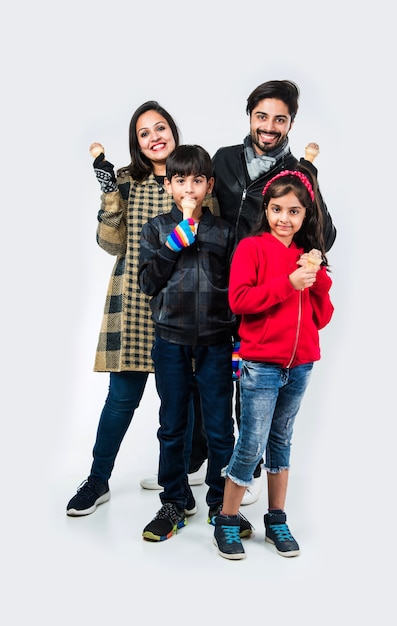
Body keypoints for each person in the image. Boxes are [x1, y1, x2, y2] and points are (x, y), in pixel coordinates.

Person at [66, 102, 207, 517]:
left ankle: (179, 481)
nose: (154, 137)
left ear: (173, 131)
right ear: (137, 143)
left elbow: (213, 241)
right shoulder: (126, 182)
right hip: (133, 304)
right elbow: (111, 244)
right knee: (120, 400)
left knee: (184, 403)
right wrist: (110, 193)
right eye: (144, 133)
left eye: (160, 127)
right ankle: (98, 478)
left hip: (185, 308)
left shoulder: (196, 177)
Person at [213, 79, 336, 505]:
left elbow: (324, 233)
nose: (268, 126)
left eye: (279, 119)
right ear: (250, 116)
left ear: (290, 123)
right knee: (208, 382)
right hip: (223, 291)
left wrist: (310, 183)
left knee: (256, 403)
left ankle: (246, 474)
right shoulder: (225, 160)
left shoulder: (295, 175)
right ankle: (208, 464)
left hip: (269, 303)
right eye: (261, 116)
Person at [212, 166, 334, 560]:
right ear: (266, 210)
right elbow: (239, 301)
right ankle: (227, 520)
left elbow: (321, 317)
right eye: (277, 209)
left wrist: (318, 282)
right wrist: (288, 284)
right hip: (261, 364)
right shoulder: (252, 248)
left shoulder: (305, 255)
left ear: (305, 216)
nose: (285, 218)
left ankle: (276, 519)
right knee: (250, 444)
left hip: (300, 365)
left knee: (282, 443)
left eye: (294, 211)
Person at [138, 145, 252, 542]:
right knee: (172, 425)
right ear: (168, 185)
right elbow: (147, 284)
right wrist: (172, 246)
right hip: (170, 341)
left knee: (221, 428)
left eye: (198, 180)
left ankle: (222, 503)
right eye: (181, 180)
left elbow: (237, 291)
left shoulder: (224, 232)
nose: (190, 188)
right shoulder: (156, 228)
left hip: (217, 343)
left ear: (209, 185)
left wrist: (237, 345)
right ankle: (174, 500)